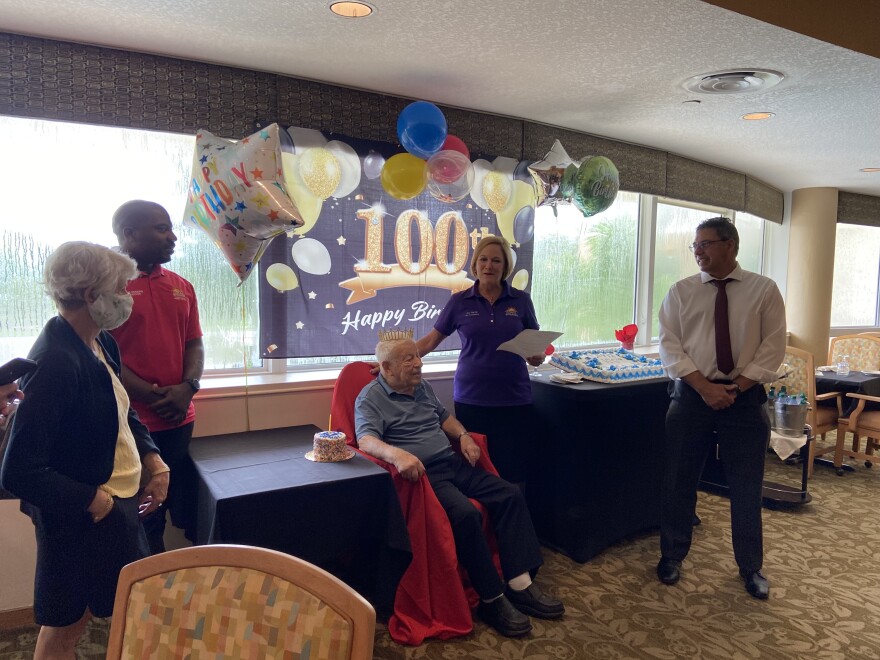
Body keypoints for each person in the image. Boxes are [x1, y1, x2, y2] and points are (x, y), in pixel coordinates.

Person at [0, 241, 169, 659]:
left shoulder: (100, 341)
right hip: (83, 513)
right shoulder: (55, 362)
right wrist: (93, 501)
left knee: (126, 604)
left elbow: (121, 412)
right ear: (92, 295)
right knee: (66, 623)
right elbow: (18, 471)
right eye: (122, 289)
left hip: (116, 500)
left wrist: (153, 459)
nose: (128, 298)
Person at [355, 334, 564, 637]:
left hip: (453, 464)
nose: (418, 363)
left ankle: (520, 584)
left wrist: (464, 435)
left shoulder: (421, 387)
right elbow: (365, 440)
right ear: (385, 366)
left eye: (417, 355)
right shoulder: (370, 397)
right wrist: (397, 454)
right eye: (409, 359)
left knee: (509, 494)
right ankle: (492, 598)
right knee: (466, 514)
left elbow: (444, 418)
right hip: (425, 477)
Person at [656, 217, 786, 600]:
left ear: (730, 245)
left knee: (746, 486)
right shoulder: (680, 292)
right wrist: (704, 387)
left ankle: (751, 567)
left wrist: (734, 388)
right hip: (691, 397)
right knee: (679, 479)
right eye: (694, 246)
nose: (697, 251)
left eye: (705, 244)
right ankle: (671, 556)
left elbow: (772, 348)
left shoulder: (763, 291)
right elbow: (669, 345)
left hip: (743, 401)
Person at [110, 200, 204, 554]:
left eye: (170, 228)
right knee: (135, 509)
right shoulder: (108, 287)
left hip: (179, 417)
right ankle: (141, 588)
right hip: (129, 422)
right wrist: (150, 395)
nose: (172, 237)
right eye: (161, 229)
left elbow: (195, 343)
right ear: (129, 234)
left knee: (164, 505)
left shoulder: (181, 285)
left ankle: (161, 583)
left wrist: (187, 389)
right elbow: (102, 352)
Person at [415, 235, 544, 484]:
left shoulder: (521, 300)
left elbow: (536, 346)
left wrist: (537, 357)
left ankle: (513, 521)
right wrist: (393, 361)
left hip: (514, 399)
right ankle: (480, 522)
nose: (489, 265)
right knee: (476, 469)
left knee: (513, 470)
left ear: (505, 266)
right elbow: (430, 341)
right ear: (475, 264)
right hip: (472, 399)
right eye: (483, 259)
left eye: (496, 260)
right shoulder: (459, 301)